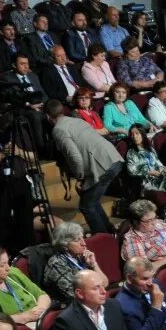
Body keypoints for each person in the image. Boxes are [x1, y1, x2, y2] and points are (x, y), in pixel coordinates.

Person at [45, 99, 122, 234]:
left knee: (87, 205)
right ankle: (109, 232)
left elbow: (75, 156)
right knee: (91, 200)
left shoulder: (58, 130)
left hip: (102, 165)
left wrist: (80, 176)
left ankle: (103, 239)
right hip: (112, 157)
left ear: (47, 116)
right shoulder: (76, 120)